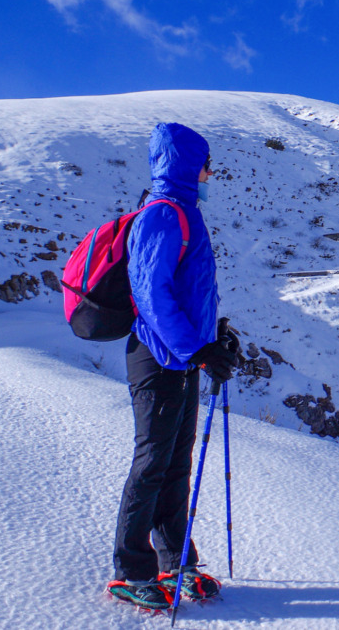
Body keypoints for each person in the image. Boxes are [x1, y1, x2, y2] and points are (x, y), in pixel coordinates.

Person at [106, 122, 238, 610]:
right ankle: (130, 570)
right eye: (206, 164)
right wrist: (196, 350)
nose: (210, 173)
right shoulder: (162, 215)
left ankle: (174, 560)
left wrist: (214, 337)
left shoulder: (186, 213)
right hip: (156, 359)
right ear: (186, 164)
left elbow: (188, 290)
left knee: (175, 465)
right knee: (151, 465)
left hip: (180, 358)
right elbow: (151, 295)